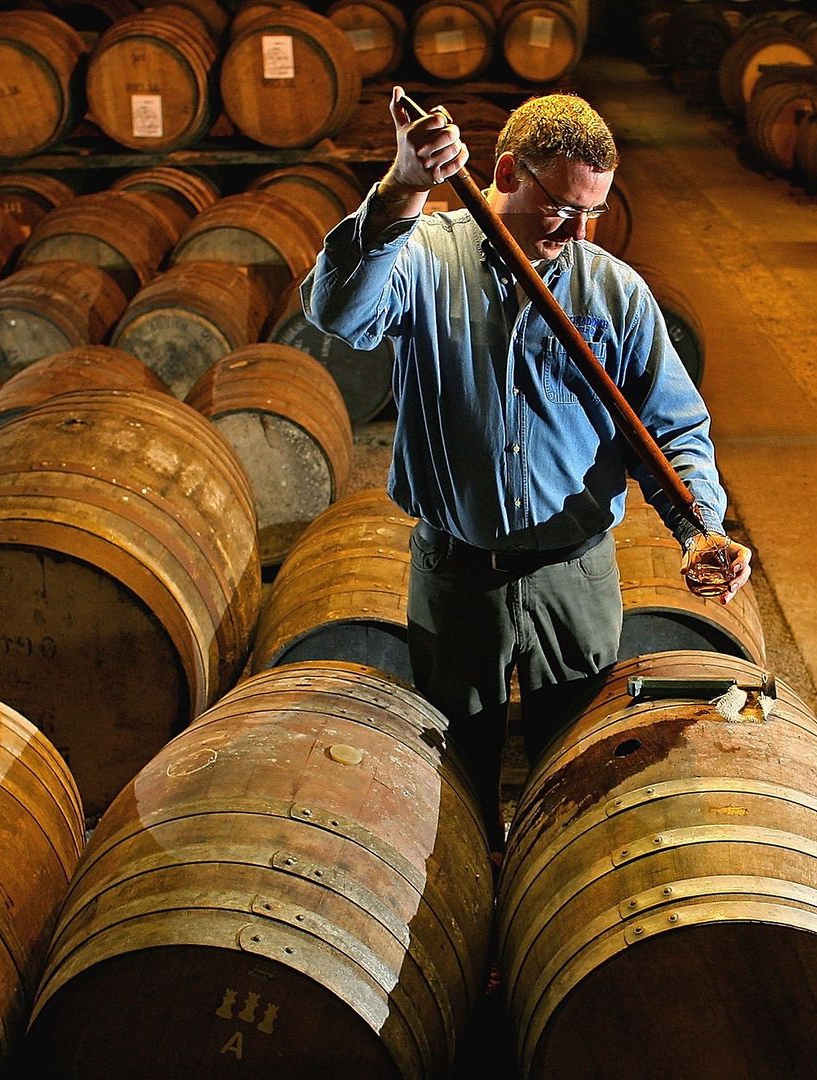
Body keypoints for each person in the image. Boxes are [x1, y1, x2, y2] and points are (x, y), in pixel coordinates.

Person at [302, 88, 753, 844]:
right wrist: (403, 185)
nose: (577, 230)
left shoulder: (613, 290)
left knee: (578, 771)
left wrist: (700, 526)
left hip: (574, 577)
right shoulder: (425, 259)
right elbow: (341, 313)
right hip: (458, 573)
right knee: (451, 774)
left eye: (594, 213)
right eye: (562, 207)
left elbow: (673, 429)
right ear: (507, 171)